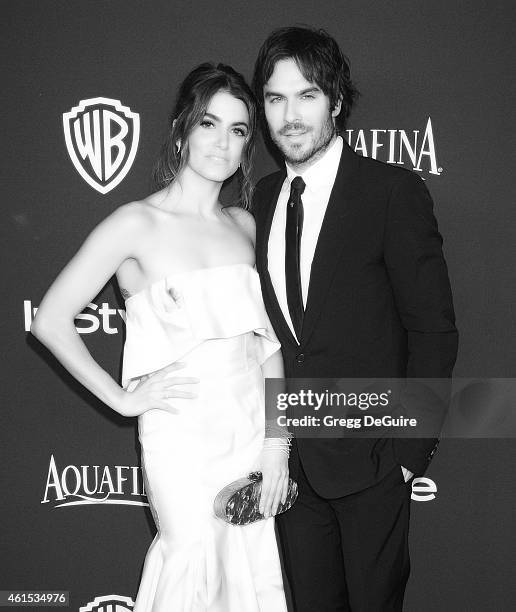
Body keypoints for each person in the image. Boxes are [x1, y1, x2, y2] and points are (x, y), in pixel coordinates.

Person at [31, 63, 289, 612]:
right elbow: (51, 319)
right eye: (209, 124)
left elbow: (265, 344)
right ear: (181, 130)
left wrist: (276, 442)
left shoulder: (244, 225)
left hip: (246, 429)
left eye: (239, 130)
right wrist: (123, 399)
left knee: (248, 564)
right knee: (191, 558)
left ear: (248, 144)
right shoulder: (134, 224)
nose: (222, 142)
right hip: (180, 434)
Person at [252, 27, 458, 611]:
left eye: (307, 95)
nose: (289, 116)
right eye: (274, 98)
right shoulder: (260, 200)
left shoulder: (390, 192)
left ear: (337, 102)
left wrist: (406, 458)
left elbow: (433, 332)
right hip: (290, 469)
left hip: (373, 464)